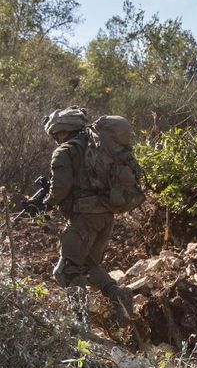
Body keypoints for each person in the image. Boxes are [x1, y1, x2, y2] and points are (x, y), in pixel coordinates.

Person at [26, 107, 136, 323]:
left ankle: (80, 323)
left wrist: (43, 205)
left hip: (84, 219)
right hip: (105, 217)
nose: (56, 139)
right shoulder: (98, 148)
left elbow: (60, 189)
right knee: (88, 266)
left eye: (56, 134)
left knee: (66, 271)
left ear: (61, 130)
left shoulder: (65, 151)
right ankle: (118, 295)